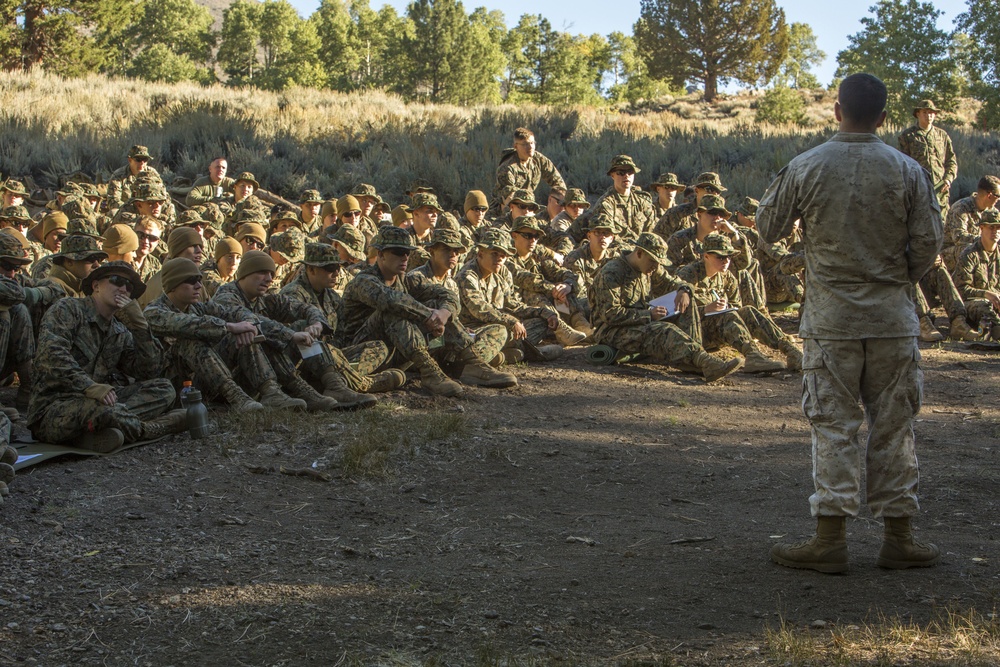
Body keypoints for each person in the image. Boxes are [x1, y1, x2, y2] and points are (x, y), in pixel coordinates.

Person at [759, 73, 942, 573]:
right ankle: (899, 536)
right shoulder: (908, 169)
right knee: (895, 425)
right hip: (892, 318)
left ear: (837, 111)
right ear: (884, 118)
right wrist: (895, 278)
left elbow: (767, 226)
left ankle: (830, 538)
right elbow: (929, 241)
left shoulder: (807, 165)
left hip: (830, 319)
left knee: (833, 424)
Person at [28, 261, 187, 451]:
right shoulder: (68, 309)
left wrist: (141, 327)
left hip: (100, 402)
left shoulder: (119, 330)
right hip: (54, 408)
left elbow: (148, 372)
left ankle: (97, 432)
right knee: (103, 411)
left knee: (164, 389)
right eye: (116, 281)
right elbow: (51, 355)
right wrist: (89, 387)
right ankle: (150, 428)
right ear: (96, 285)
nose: (123, 289)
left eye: (129, 287)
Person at [342, 227, 483, 397]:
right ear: (380, 254)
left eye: (408, 253)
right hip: (360, 352)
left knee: (434, 303)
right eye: (398, 252)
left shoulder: (405, 280)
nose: (405, 258)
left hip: (394, 351)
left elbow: (447, 294)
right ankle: (429, 371)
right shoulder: (364, 281)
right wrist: (428, 315)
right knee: (394, 310)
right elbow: (391, 300)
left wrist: (443, 314)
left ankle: (473, 362)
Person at [589, 232, 742, 382]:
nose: (655, 267)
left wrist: (684, 290)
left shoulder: (649, 267)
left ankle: (694, 360)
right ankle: (703, 361)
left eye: (658, 263)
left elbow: (672, 281)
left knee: (687, 302)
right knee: (664, 330)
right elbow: (610, 314)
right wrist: (648, 315)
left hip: (641, 321)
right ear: (640, 253)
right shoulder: (613, 272)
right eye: (653, 261)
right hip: (611, 330)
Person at [212, 251, 354, 411]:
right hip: (224, 379)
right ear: (244, 274)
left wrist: (316, 323)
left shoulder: (264, 298)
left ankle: (332, 383)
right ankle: (277, 391)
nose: (269, 279)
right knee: (250, 333)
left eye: (271, 274)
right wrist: (290, 335)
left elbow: (304, 308)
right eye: (262, 273)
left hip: (255, 374)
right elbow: (251, 321)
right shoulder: (226, 297)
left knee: (301, 325)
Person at [676, 233, 799, 372]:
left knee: (747, 311)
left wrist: (726, 307)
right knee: (728, 316)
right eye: (720, 257)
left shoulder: (727, 277)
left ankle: (789, 350)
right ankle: (753, 355)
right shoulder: (688, 275)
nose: (725, 261)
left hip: (719, 329)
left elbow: (736, 307)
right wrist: (705, 310)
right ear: (706, 256)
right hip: (696, 333)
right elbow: (677, 315)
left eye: (728, 256)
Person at [569, 155, 655, 243]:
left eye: (630, 172)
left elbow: (651, 232)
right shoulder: (606, 204)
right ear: (612, 175)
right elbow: (607, 238)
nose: (626, 176)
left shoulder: (643, 202)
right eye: (621, 172)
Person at [898, 99, 957, 214]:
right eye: (924, 112)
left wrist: (948, 180)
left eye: (931, 112)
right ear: (917, 114)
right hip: (918, 190)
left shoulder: (942, 136)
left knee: (941, 225)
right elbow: (902, 165)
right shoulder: (908, 136)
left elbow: (951, 161)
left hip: (940, 190)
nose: (928, 116)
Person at [491, 127, 566, 215]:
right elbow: (511, 198)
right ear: (516, 146)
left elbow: (556, 180)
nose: (530, 147)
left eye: (532, 143)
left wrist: (562, 200)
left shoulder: (538, 159)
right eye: (525, 144)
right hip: (503, 211)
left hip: (528, 206)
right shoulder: (507, 168)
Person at [952, 208, 1000, 337]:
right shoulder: (970, 254)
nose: (995, 231)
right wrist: (985, 294)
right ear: (982, 228)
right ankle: (996, 329)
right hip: (974, 303)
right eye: (991, 227)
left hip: (997, 303)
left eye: (998, 227)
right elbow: (960, 290)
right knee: (986, 307)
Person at [941, 175, 1000, 271]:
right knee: (969, 250)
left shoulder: (993, 212)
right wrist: (984, 240)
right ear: (989, 195)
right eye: (998, 196)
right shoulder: (961, 208)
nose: (998, 200)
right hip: (951, 253)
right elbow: (959, 237)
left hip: (979, 249)